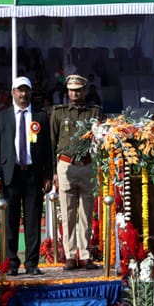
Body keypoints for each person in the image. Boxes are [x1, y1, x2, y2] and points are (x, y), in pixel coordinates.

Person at [0, 75, 53, 275]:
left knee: (33, 220)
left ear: (31, 92)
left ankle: (32, 263)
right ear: (13, 93)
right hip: (11, 174)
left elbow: (47, 149)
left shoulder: (41, 116)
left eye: (26, 90)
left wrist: (49, 175)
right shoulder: (3, 117)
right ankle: (12, 263)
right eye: (19, 90)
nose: (23, 94)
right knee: (10, 220)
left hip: (33, 175)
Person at [50, 73, 101, 269]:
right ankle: (70, 255)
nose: (75, 94)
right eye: (71, 90)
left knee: (86, 212)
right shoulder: (58, 113)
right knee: (67, 212)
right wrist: (53, 172)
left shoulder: (95, 112)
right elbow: (52, 143)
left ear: (84, 91)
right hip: (65, 165)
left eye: (78, 90)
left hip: (87, 165)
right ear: (67, 91)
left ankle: (85, 254)